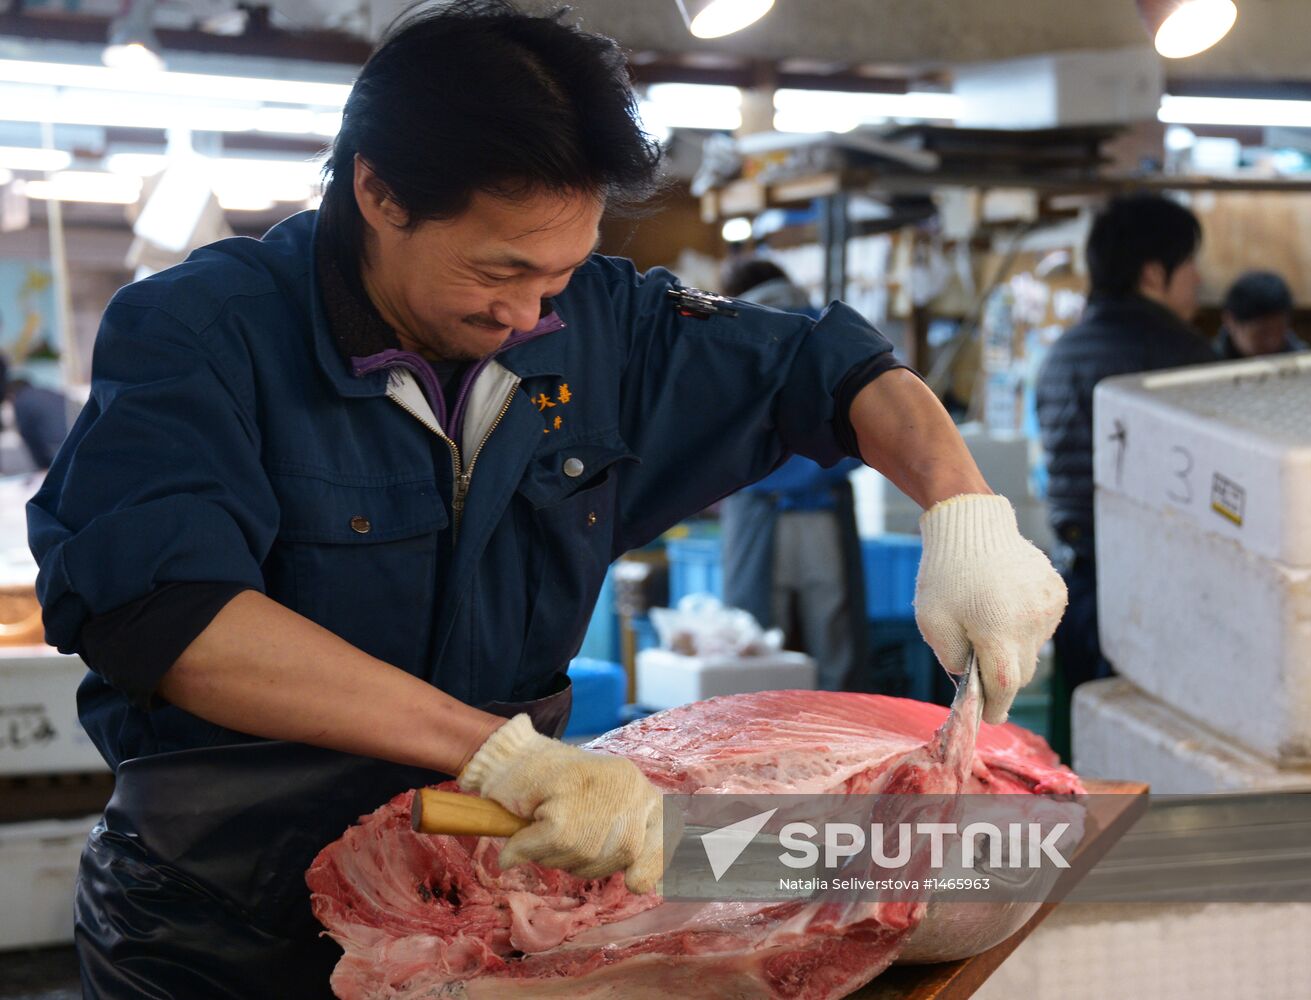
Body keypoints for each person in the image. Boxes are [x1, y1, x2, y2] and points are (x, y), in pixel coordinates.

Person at [27, 3, 1066, 996]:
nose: (528, 314)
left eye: (558, 276)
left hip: (501, 892)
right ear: (378, 193)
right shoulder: (202, 336)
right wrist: (496, 751)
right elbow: (175, 616)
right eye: (500, 270)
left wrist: (961, 509)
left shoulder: (598, 326)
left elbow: (824, 371)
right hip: (226, 922)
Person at [1036, 192, 1215, 726]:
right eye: (1190, 265)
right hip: (1159, 595)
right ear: (1154, 274)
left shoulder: (1061, 353)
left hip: (1075, 584)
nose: (1199, 281)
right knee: (1153, 743)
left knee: (1091, 739)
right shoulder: (1182, 358)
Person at [717, 257, 866, 691]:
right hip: (826, 512)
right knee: (835, 641)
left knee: (757, 645)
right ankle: (848, 747)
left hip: (757, 512)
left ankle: (763, 746)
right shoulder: (832, 329)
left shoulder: (726, 333)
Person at [1214, 270, 1306, 359]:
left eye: (1280, 331)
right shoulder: (1209, 362)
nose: (1272, 342)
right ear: (1230, 322)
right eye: (1262, 334)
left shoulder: (1303, 357)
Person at [0, 355, 70, 470]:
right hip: (79, 448)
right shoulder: (48, 393)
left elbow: (31, 439)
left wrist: (44, 470)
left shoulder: (22, 402)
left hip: (59, 455)